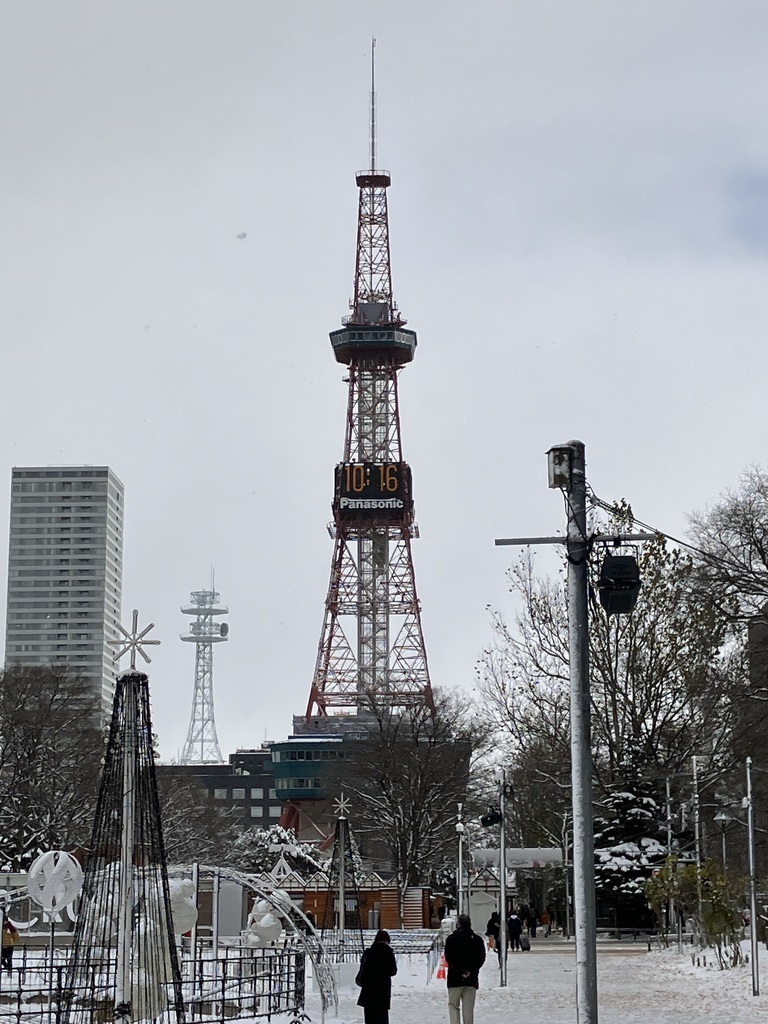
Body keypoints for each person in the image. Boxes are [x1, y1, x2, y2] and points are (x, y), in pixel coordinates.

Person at [444, 913, 486, 1024]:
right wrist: (470, 971)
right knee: (468, 1009)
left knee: (453, 1006)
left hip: (454, 979)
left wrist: (460, 971)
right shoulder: (477, 940)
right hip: (471, 979)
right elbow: (480, 958)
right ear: (470, 924)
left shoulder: (451, 939)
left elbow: (449, 958)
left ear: (458, 924)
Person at [356, 929, 398, 1024]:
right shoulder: (388, 952)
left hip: (368, 989)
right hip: (382, 990)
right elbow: (393, 971)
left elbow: (363, 968)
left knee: (370, 1017)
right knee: (382, 1016)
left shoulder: (369, 952)